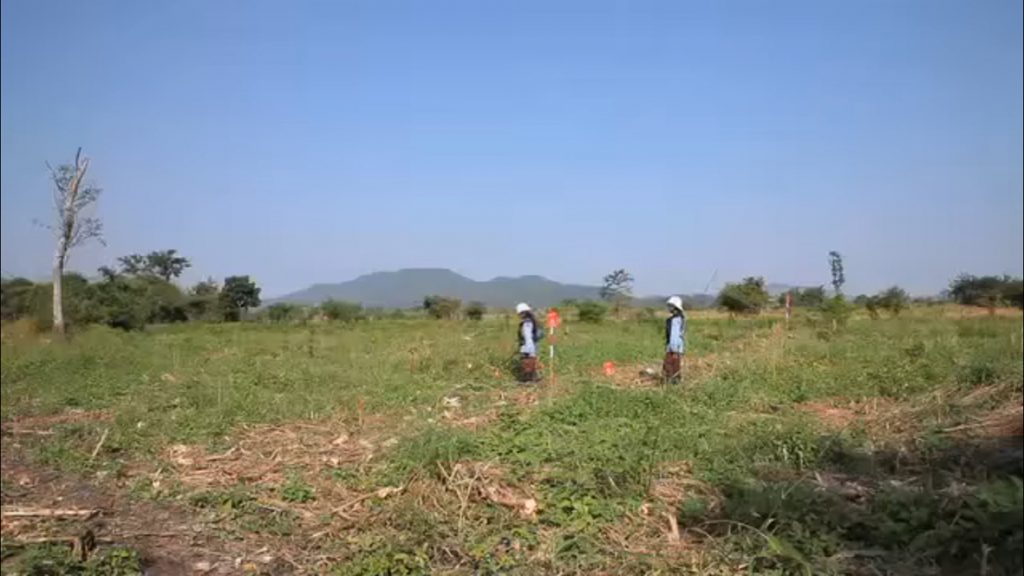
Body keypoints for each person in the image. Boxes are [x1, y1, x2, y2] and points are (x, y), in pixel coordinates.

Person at [663, 296, 687, 383]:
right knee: (675, 366)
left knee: (670, 365)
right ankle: (675, 382)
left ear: (675, 307)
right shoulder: (680, 318)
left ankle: (671, 383)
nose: (669, 308)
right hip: (676, 347)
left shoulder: (675, 320)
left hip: (674, 348)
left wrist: (674, 350)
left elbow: (675, 335)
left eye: (671, 306)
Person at [516, 302, 540, 383]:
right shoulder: (532, 321)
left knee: (527, 364)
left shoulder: (527, 323)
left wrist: (528, 349)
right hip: (531, 346)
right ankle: (532, 379)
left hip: (527, 347)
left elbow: (527, 336)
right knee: (530, 364)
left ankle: (528, 381)